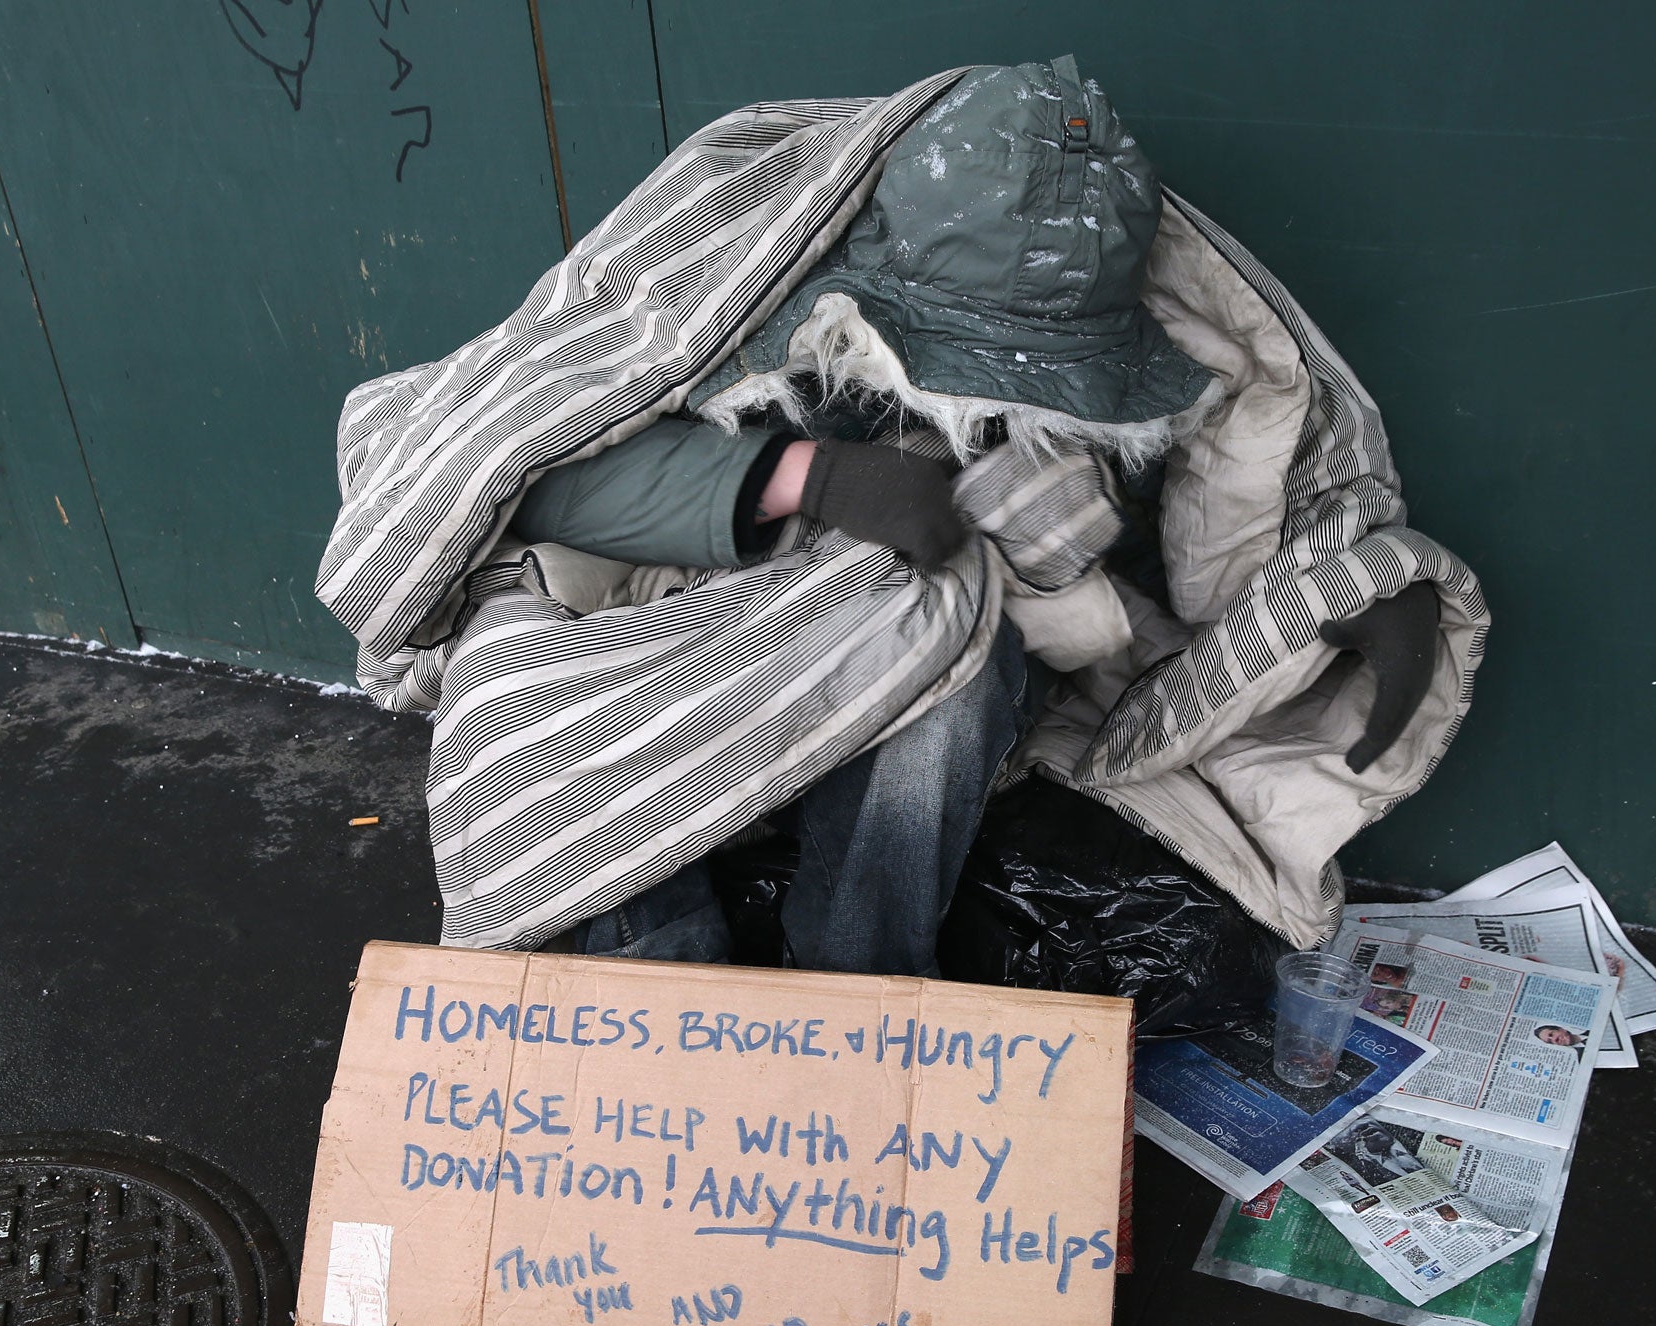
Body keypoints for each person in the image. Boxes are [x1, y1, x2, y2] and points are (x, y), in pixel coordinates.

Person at [507, 60, 1439, 978]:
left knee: (959, 650)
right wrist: (811, 478)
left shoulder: (1132, 321)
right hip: (687, 631)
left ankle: (861, 986)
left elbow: (1236, 486)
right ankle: (642, 980)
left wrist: (1339, 591)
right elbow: (521, 477)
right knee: (528, 662)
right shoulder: (731, 268)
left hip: (921, 665)